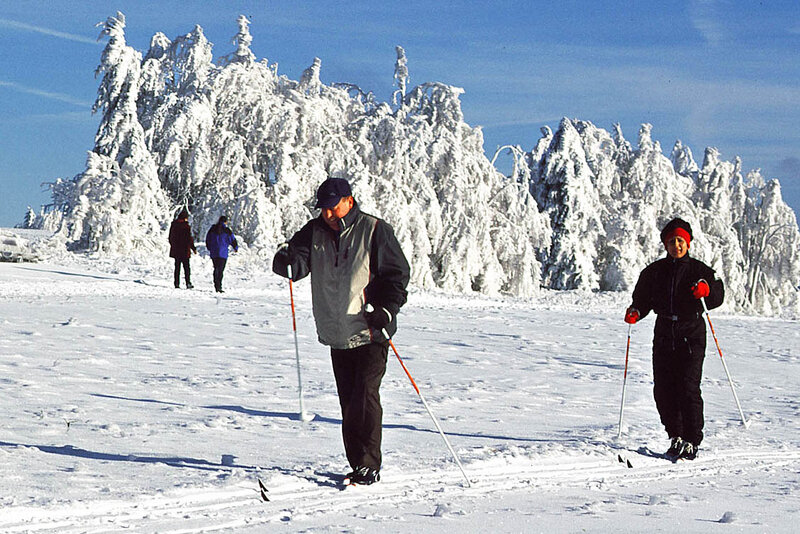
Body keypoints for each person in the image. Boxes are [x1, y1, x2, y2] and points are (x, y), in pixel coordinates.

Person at [272, 177, 410, 486]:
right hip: (337, 332)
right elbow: (297, 261)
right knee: (348, 401)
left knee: (365, 395)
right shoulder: (315, 231)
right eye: (323, 210)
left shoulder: (374, 230)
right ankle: (357, 463)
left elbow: (397, 276)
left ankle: (368, 465)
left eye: (333, 208)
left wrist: (386, 310)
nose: (328, 215)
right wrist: (285, 261)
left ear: (348, 201)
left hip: (370, 330)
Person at [624, 217, 724, 461]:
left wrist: (706, 291)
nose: (676, 245)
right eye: (671, 241)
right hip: (664, 333)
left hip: (691, 333)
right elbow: (642, 299)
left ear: (687, 243)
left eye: (680, 240)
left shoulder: (700, 271)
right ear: (665, 244)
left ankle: (692, 440)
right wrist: (636, 311)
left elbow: (718, 296)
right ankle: (675, 436)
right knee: (663, 389)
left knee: (688, 387)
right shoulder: (654, 271)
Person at [205, 215, 239, 293]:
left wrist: (209, 247)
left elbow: (208, 239)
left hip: (214, 252)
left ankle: (216, 285)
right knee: (220, 270)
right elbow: (233, 240)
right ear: (225, 222)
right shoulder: (227, 230)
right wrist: (235, 248)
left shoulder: (212, 229)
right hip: (223, 253)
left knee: (216, 268)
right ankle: (219, 286)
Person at [168, 209, 197, 289]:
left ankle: (176, 283)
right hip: (185, 250)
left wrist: (173, 246)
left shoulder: (174, 225)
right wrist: (193, 248)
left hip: (176, 250)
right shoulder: (186, 226)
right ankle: (188, 282)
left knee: (177, 267)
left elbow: (170, 237)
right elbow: (189, 238)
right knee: (186, 268)